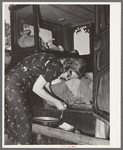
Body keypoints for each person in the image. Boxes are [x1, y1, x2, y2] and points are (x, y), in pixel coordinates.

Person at [5, 51, 86, 145]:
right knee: (24, 124)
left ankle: (12, 144)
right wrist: (56, 102)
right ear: (69, 67)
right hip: (13, 87)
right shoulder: (57, 68)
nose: (66, 79)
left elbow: (46, 86)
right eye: (69, 75)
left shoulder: (55, 61)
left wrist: (54, 101)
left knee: (14, 122)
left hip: (9, 83)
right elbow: (36, 88)